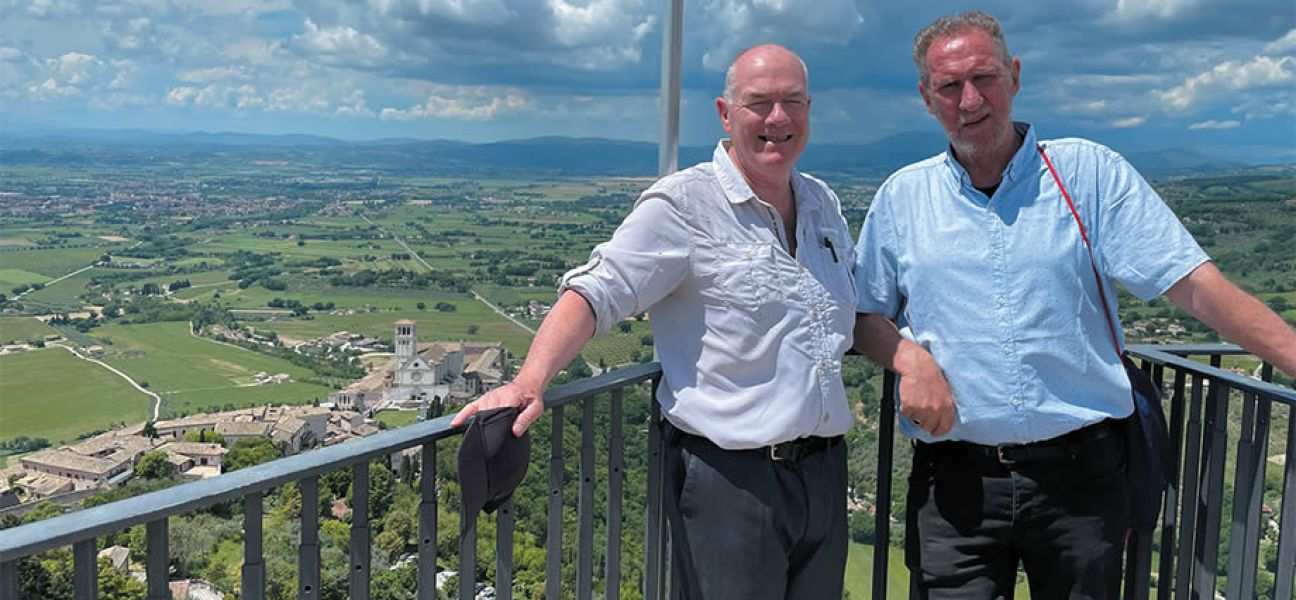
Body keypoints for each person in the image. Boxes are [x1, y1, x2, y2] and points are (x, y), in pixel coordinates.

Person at [851, 10, 1296, 600]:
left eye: (984, 78)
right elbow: (864, 315)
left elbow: (1193, 285)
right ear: (926, 98)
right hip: (956, 481)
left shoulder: (1089, 173)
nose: (970, 99)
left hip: (1080, 480)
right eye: (950, 86)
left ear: (1014, 76)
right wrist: (910, 359)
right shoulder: (903, 197)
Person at [452, 44, 857, 599]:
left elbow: (848, 311)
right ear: (726, 113)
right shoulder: (684, 204)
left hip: (824, 475)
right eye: (760, 103)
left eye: (793, 101)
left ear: (809, 109)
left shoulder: (822, 203)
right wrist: (529, 381)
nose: (778, 117)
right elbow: (595, 291)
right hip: (734, 484)